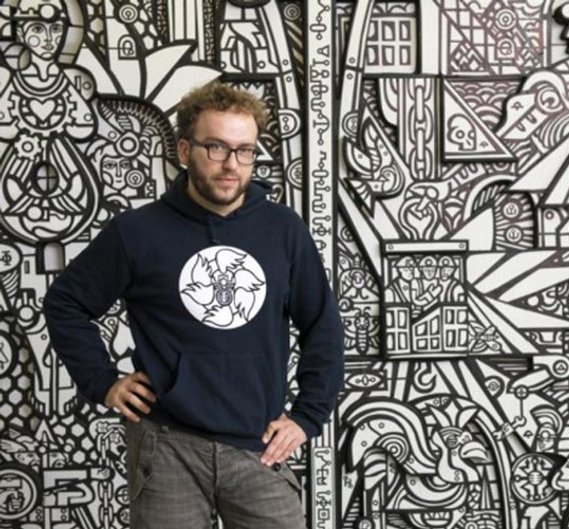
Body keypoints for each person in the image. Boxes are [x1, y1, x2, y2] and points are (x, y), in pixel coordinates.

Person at [43, 81, 345, 529]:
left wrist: (307, 416)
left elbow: (322, 324)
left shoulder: (284, 230)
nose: (231, 164)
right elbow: (65, 303)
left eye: (245, 151)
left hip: (258, 444)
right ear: (185, 150)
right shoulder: (137, 232)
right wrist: (101, 381)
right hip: (167, 444)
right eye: (216, 148)